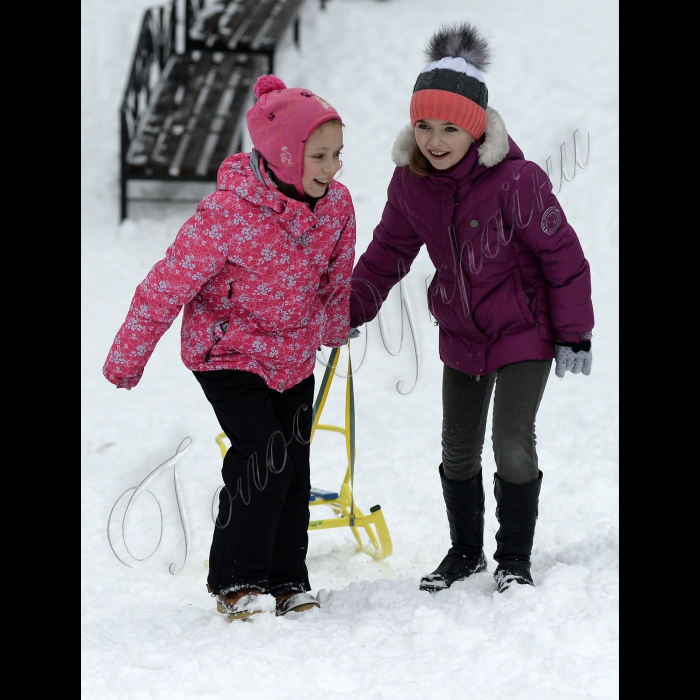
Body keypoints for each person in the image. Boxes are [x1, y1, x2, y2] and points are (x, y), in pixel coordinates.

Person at [349, 23, 594, 593]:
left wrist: (573, 332)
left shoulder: (518, 181)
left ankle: (513, 557)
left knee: (511, 441)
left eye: (451, 128)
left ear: (477, 127)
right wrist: (350, 311)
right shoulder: (411, 185)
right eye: (424, 125)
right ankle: (465, 553)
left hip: (523, 329)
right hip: (461, 333)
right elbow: (388, 253)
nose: (435, 140)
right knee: (456, 449)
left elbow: (562, 253)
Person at [103, 75, 356, 618]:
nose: (332, 167)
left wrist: (334, 326)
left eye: (337, 154)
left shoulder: (336, 206)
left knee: (293, 466)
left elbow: (338, 276)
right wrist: (131, 351)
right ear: (285, 156)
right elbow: (168, 283)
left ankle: (287, 580)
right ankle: (237, 583)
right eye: (319, 156)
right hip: (227, 354)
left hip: (292, 355)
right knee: (262, 454)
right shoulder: (228, 212)